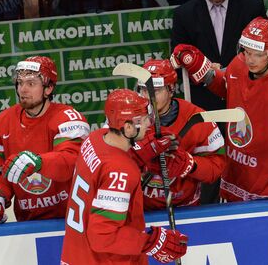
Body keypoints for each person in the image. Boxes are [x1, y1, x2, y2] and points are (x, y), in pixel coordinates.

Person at [171, 16, 268, 202]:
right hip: (235, 179)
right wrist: (205, 72)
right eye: (247, 52)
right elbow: (227, 86)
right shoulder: (239, 64)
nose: (250, 60)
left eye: (258, 54)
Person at [170, 0, 265, 204]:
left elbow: (264, 53)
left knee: (247, 167)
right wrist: (199, 66)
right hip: (205, 106)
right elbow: (176, 60)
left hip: (244, 102)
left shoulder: (252, 6)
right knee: (210, 174)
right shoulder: (184, 15)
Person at [61, 89, 188, 264]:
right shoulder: (120, 172)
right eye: (142, 121)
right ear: (128, 127)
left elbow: (106, 166)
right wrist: (151, 241)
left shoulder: (94, 139)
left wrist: (142, 154)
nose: (147, 125)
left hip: (75, 255)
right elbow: (103, 236)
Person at [0, 56, 89, 223]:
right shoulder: (3, 121)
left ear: (48, 88)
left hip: (71, 222)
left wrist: (39, 162)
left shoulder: (68, 119)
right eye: (20, 82)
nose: (23, 89)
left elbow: (72, 161)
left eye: (31, 83)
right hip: (27, 222)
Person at [132, 59, 226, 209]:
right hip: (140, 209)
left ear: (171, 89)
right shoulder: (128, 115)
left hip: (185, 207)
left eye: (155, 91)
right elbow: (111, 160)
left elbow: (217, 167)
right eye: (143, 89)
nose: (147, 96)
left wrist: (189, 164)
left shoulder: (196, 118)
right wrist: (137, 158)